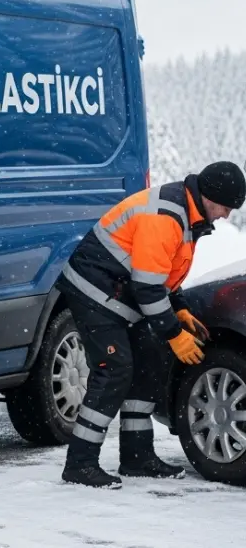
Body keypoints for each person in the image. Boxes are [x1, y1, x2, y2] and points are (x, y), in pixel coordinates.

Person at [57, 161, 246, 489]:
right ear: (210, 196)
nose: (226, 215)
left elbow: (164, 276)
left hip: (123, 293)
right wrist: (174, 333)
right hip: (95, 291)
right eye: (226, 207)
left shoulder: (190, 215)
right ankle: (80, 463)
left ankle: (136, 456)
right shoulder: (167, 217)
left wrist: (182, 310)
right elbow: (147, 287)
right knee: (114, 369)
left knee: (148, 360)